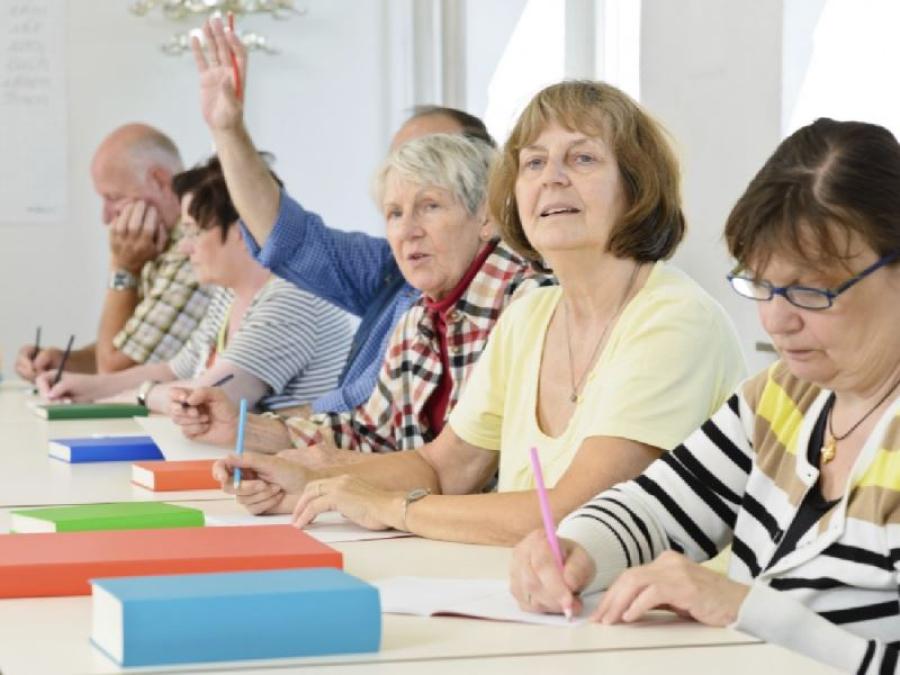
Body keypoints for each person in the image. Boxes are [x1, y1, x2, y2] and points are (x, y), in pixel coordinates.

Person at [212, 81, 746, 546]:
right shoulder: (531, 314)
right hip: (530, 595)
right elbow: (444, 466)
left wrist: (392, 507)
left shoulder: (672, 318)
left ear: (637, 188)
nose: (551, 178)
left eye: (582, 158)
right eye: (534, 162)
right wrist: (307, 483)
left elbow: (577, 514)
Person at [509, 118, 900, 674]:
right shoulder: (784, 399)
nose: (776, 319)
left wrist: (748, 610)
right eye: (762, 284)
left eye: (812, 290)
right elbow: (656, 508)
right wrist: (575, 550)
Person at [175, 17, 496, 435]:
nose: (408, 222)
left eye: (431, 179)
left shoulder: (508, 295)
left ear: (486, 195)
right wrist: (227, 129)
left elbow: (422, 458)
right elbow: (288, 239)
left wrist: (261, 433)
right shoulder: (392, 268)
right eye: (395, 202)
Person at [170, 133, 553, 475]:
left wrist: (320, 475)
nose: (407, 231)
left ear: (486, 218)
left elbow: (461, 474)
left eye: (430, 206)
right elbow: (370, 433)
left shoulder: (528, 306)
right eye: (395, 214)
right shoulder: (419, 313)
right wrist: (243, 429)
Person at [36, 156, 352, 415]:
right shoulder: (230, 293)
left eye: (193, 232)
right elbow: (174, 371)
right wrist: (84, 387)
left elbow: (205, 401)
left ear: (243, 230)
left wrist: (140, 395)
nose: (185, 247)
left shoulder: (291, 297)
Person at [15, 124, 211, 379]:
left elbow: (115, 372)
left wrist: (123, 267)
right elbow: (133, 347)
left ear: (160, 181)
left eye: (114, 197)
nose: (106, 217)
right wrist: (62, 362)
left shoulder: (193, 252)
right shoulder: (159, 244)